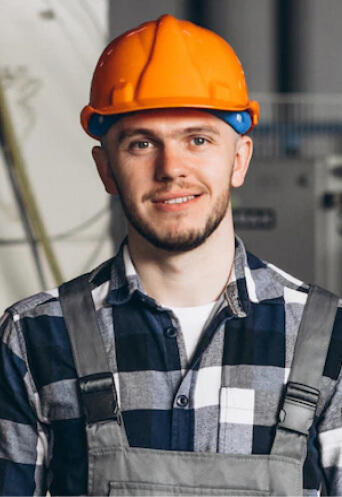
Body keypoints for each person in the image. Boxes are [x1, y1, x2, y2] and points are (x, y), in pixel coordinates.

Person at [0, 14, 341, 496]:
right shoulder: (34, 339)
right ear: (107, 170)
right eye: (142, 144)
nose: (171, 168)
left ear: (239, 158)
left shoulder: (329, 340)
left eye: (197, 139)